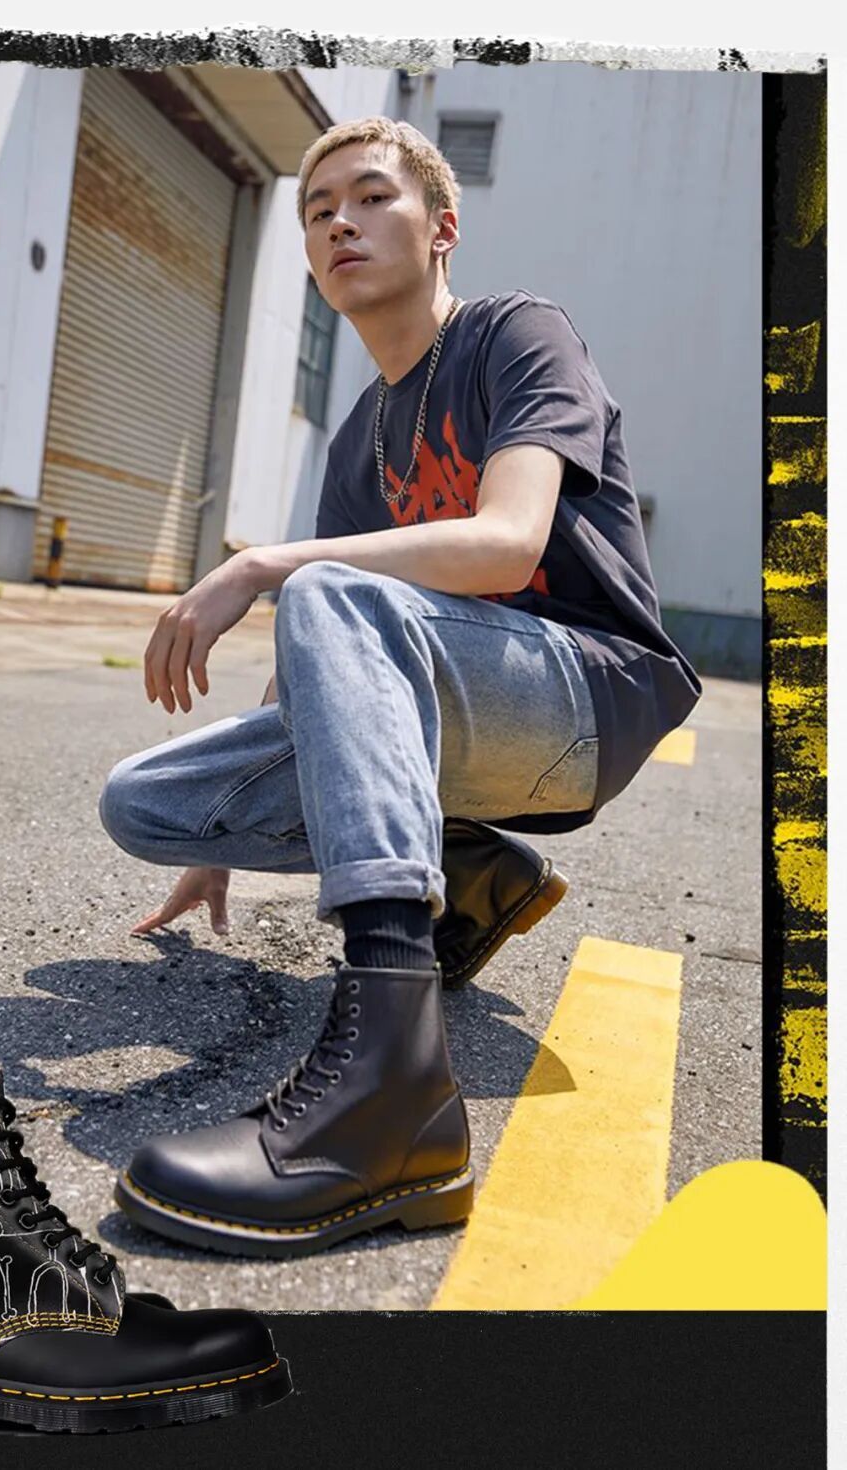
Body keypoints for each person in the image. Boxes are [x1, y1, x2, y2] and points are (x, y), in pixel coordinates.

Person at [99, 117, 701, 1258]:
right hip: (456, 711)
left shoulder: (517, 335)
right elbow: (325, 666)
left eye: (372, 197)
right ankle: (469, 871)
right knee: (144, 797)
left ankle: (392, 1077)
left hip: (581, 695)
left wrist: (263, 564)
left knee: (327, 586)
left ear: (441, 228)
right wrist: (223, 838)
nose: (341, 222)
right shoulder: (357, 441)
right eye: (318, 209)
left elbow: (510, 542)